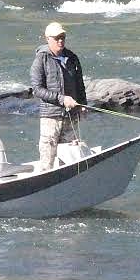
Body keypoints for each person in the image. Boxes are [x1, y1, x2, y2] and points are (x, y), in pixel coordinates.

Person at [29, 21, 86, 171]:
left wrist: (82, 104)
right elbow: (37, 89)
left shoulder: (72, 58)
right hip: (50, 116)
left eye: (63, 37)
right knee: (47, 160)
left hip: (71, 117)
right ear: (47, 39)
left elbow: (80, 85)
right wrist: (62, 99)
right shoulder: (41, 59)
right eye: (57, 38)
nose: (60, 40)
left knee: (70, 159)